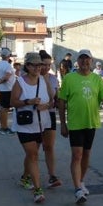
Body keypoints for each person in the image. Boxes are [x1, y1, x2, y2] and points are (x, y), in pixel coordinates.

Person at [58, 49, 103, 205]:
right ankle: (77, 189)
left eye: (87, 59)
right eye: (82, 59)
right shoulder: (69, 78)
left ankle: (81, 181)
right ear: (78, 61)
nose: (84, 62)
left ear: (91, 61)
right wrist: (62, 123)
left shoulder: (97, 79)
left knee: (86, 155)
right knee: (77, 155)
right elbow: (61, 102)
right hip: (75, 123)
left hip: (91, 123)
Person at [11, 52, 53, 203]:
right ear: (27, 66)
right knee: (34, 155)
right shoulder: (20, 82)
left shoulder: (43, 80)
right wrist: (28, 102)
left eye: (39, 65)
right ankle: (38, 190)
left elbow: (51, 101)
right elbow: (13, 102)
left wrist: (46, 105)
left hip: (41, 124)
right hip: (24, 126)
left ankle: (24, 178)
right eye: (34, 65)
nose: (37, 68)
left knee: (31, 155)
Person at [39, 50, 62, 189]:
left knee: (49, 147)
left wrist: (47, 80)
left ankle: (52, 176)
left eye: (49, 65)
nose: (47, 68)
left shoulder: (52, 78)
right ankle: (27, 175)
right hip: (34, 116)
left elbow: (53, 97)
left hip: (50, 114)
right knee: (33, 149)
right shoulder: (28, 77)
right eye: (44, 64)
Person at [0, 47, 15, 135]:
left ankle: (3, 127)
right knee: (5, 109)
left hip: (3, 89)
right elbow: (7, 77)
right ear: (8, 56)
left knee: (3, 108)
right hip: (7, 89)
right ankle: (4, 127)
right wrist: (0, 82)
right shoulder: (7, 65)